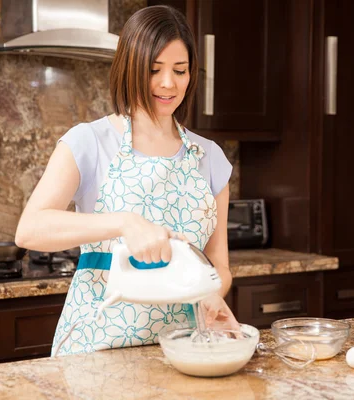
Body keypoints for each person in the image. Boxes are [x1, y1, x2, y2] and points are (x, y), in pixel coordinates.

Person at [15, 5, 238, 356]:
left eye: (180, 71)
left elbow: (218, 265)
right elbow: (29, 229)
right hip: (97, 347)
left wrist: (212, 294)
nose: (169, 83)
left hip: (181, 349)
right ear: (130, 69)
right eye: (154, 70)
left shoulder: (209, 157)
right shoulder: (89, 141)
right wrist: (124, 223)